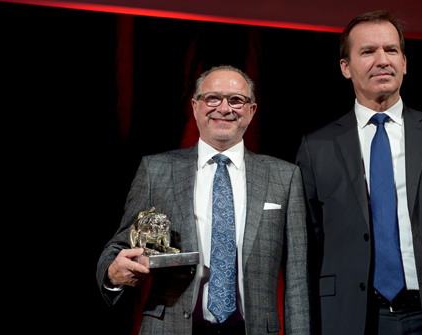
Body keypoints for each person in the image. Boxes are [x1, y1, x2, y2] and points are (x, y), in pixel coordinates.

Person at [295, 10, 422, 335]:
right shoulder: (316, 148)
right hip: (353, 320)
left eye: (391, 50)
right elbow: (309, 250)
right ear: (345, 67)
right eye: (368, 51)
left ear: (405, 63)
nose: (382, 60)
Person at [98, 65, 310, 334]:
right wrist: (112, 275)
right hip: (171, 327)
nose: (224, 108)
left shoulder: (285, 176)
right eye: (212, 98)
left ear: (251, 111)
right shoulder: (157, 170)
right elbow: (117, 248)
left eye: (236, 100)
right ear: (196, 106)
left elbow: (298, 278)